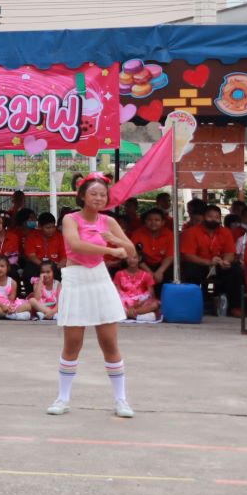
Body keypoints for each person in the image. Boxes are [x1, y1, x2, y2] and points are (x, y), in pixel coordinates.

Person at [50, 174, 138, 418]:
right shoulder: (70, 219)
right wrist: (111, 250)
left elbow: (130, 250)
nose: (99, 198)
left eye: (103, 194)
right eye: (93, 194)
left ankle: (121, 400)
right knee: (72, 343)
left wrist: (115, 240)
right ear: (82, 196)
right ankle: (62, 398)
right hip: (76, 278)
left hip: (99, 278)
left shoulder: (108, 221)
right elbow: (75, 245)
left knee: (109, 343)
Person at [180, 203, 241, 317]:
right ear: (204, 217)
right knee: (189, 269)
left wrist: (226, 262)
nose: (213, 219)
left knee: (235, 270)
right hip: (200, 264)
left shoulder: (225, 232)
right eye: (210, 216)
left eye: (217, 217)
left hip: (219, 264)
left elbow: (230, 252)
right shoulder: (191, 232)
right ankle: (192, 305)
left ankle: (235, 307)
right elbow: (188, 256)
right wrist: (208, 262)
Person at [114, 247, 161, 323]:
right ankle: (139, 316)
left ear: (139, 258)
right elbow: (117, 292)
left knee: (155, 304)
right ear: (125, 259)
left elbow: (151, 295)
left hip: (141, 303)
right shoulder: (119, 274)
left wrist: (137, 305)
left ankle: (129, 314)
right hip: (124, 303)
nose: (131, 260)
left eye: (134, 258)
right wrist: (127, 304)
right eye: (128, 258)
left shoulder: (147, 275)